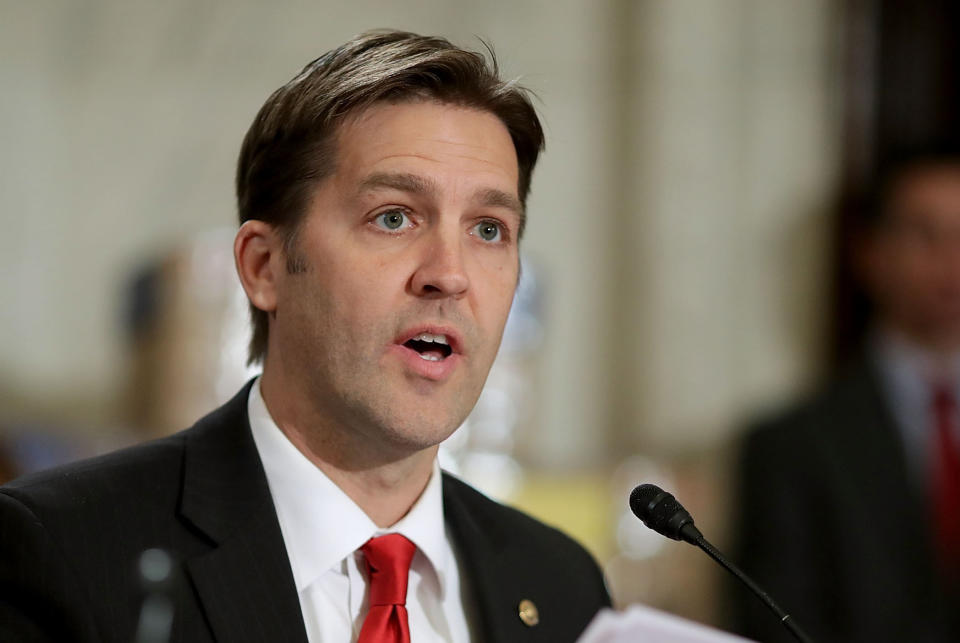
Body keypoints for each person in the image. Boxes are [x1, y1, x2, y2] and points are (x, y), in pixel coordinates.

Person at [0, 30, 610, 642]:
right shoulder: (63, 553)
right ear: (264, 267)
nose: (449, 274)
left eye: (488, 229)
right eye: (393, 217)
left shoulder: (563, 586)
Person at [730, 144, 960, 643]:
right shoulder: (788, 446)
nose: (950, 260)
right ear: (872, 253)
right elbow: (774, 624)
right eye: (925, 234)